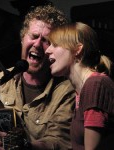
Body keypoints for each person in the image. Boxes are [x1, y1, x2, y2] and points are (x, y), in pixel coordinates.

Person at [0, 5, 75, 150]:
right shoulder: (8, 76)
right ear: (23, 39)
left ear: (56, 48)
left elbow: (57, 142)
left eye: (46, 40)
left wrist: (21, 146)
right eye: (34, 36)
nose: (37, 44)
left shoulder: (66, 91)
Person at [45, 22, 114, 150]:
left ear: (77, 49)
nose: (47, 50)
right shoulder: (83, 89)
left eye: (55, 44)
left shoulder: (95, 85)